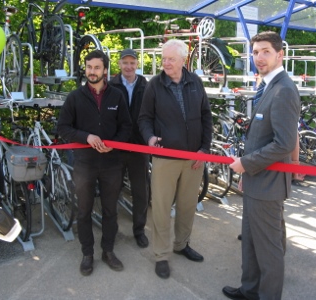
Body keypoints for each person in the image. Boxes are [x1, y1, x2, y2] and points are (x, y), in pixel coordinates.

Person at [222, 31, 301, 299]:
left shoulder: (284, 90)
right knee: (251, 241)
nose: (259, 57)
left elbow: (283, 143)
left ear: (280, 54)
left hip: (268, 185)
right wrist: (249, 171)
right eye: (255, 52)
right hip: (257, 179)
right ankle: (249, 289)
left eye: (265, 51)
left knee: (269, 250)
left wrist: (246, 163)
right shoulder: (266, 85)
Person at [138, 39, 213, 279]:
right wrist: (149, 138)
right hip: (165, 157)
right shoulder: (154, 85)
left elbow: (206, 117)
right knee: (161, 208)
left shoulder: (195, 82)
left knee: (187, 205)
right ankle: (161, 254)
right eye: (164, 59)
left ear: (183, 59)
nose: (166, 63)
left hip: (194, 157)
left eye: (171, 59)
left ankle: (182, 244)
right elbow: (144, 118)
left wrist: (204, 148)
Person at [57, 50, 132, 276]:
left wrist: (115, 144)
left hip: (111, 163)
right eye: (89, 67)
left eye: (97, 68)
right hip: (85, 164)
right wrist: (85, 137)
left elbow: (127, 127)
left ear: (105, 70)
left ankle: (107, 251)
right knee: (84, 211)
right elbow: (63, 128)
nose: (92, 72)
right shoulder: (75, 97)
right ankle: (87, 253)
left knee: (110, 210)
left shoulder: (117, 96)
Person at [109, 49, 150, 249]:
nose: (128, 66)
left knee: (140, 192)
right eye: (125, 62)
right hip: (116, 148)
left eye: (132, 63)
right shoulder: (111, 85)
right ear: (119, 64)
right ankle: (111, 230)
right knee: (112, 191)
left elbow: (152, 114)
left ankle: (139, 231)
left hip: (139, 147)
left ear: (137, 64)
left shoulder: (146, 85)